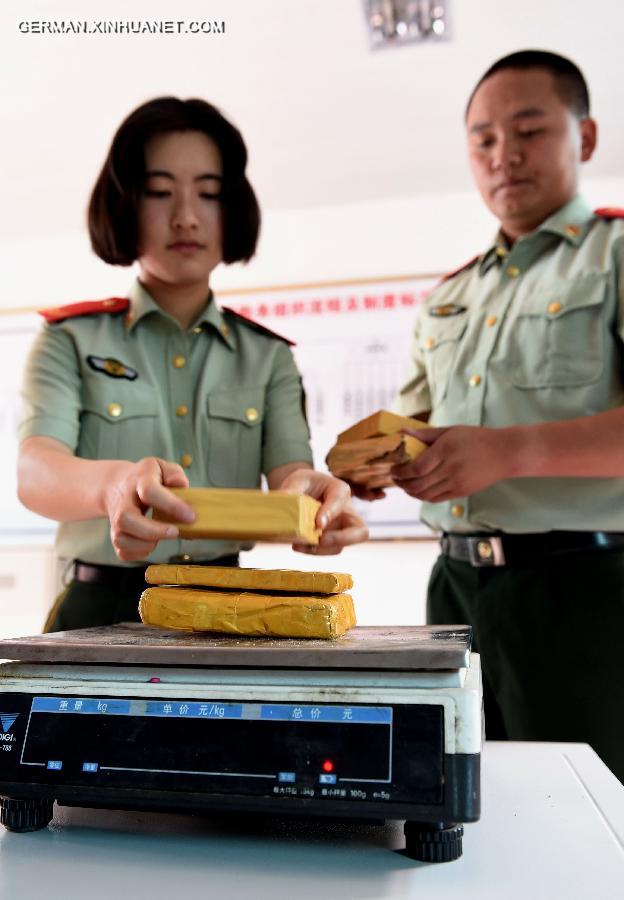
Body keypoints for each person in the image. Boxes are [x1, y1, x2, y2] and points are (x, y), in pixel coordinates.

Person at [17, 96, 367, 632]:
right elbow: (35, 470)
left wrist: (316, 501)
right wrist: (113, 488)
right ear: (125, 204)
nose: (185, 216)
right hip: (100, 610)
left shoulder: (268, 356)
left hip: (230, 606)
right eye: (159, 192)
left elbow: (290, 475)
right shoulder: (69, 339)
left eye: (208, 193)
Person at [388, 50, 624, 783]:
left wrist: (509, 451)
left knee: (592, 820)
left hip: (583, 591)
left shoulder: (615, 255)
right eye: (483, 140)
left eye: (529, 129)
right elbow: (413, 422)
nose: (504, 156)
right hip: (452, 591)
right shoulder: (449, 295)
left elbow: (493, 448)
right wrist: (368, 469)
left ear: (583, 139)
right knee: (457, 805)